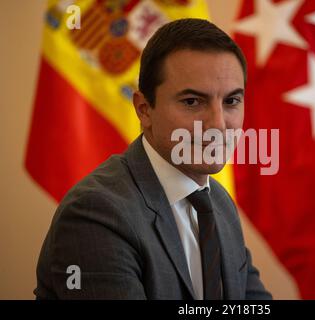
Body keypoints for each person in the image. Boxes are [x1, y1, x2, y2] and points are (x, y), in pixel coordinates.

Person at [34, 18, 272, 300]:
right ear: (144, 109)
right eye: (193, 102)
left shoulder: (218, 202)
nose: (219, 125)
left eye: (231, 101)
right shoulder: (97, 212)